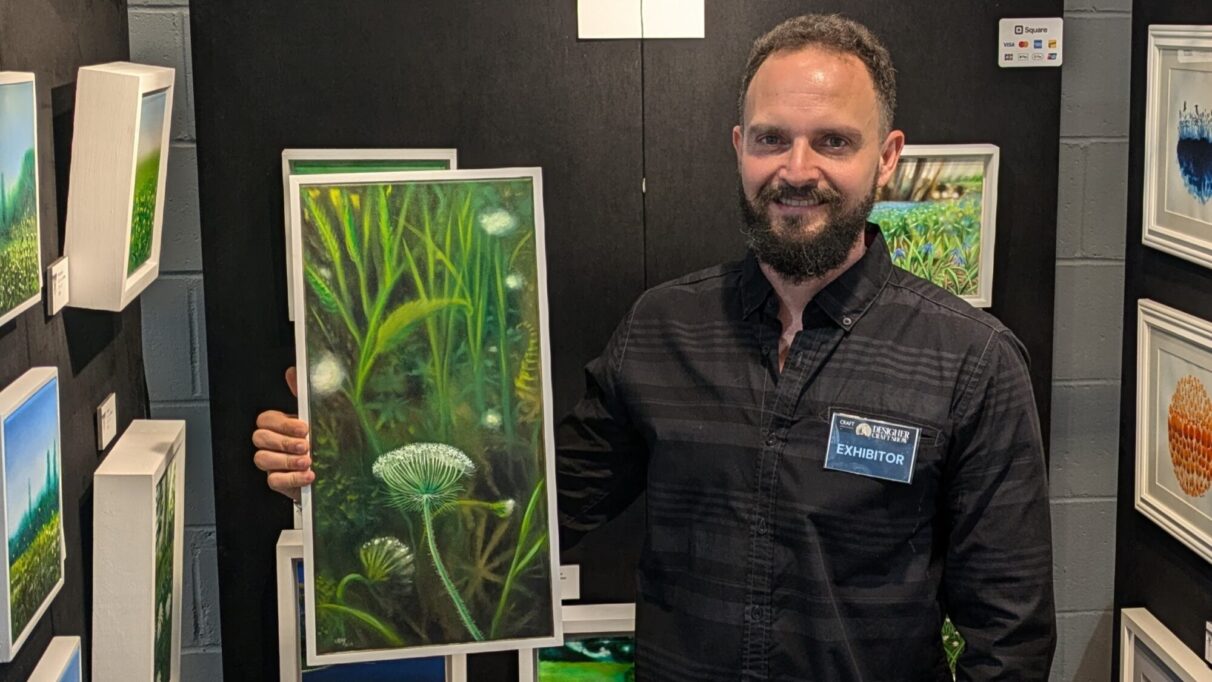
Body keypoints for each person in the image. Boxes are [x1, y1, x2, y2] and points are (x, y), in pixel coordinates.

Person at [253, 14, 1056, 680]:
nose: (797, 169)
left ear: (886, 158)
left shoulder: (972, 363)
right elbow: (536, 508)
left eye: (834, 142)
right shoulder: (663, 329)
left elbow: (1008, 639)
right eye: (773, 139)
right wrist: (345, 461)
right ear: (739, 145)